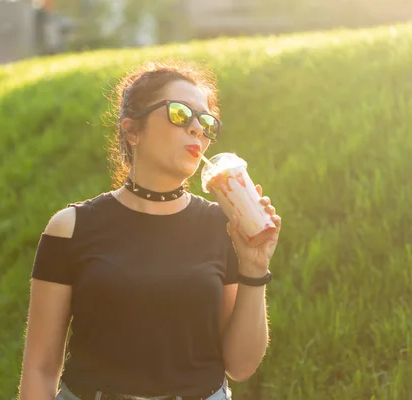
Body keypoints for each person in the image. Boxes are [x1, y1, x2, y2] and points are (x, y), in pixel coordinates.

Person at [18, 60, 282, 400]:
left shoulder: (224, 227)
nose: (196, 129)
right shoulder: (70, 228)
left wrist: (254, 267)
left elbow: (240, 366)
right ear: (132, 130)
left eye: (206, 122)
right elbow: (39, 369)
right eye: (179, 114)